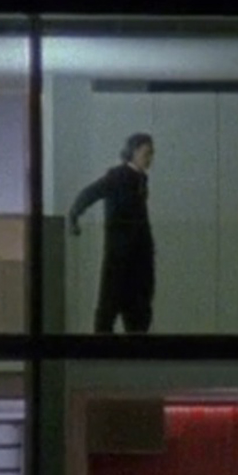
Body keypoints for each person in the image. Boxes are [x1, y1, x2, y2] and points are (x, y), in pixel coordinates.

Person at [70, 133, 157, 334]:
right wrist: (75, 213)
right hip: (123, 255)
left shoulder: (138, 179)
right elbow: (91, 192)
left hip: (133, 256)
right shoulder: (118, 177)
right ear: (134, 152)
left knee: (130, 309)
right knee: (115, 307)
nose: (150, 159)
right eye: (147, 153)